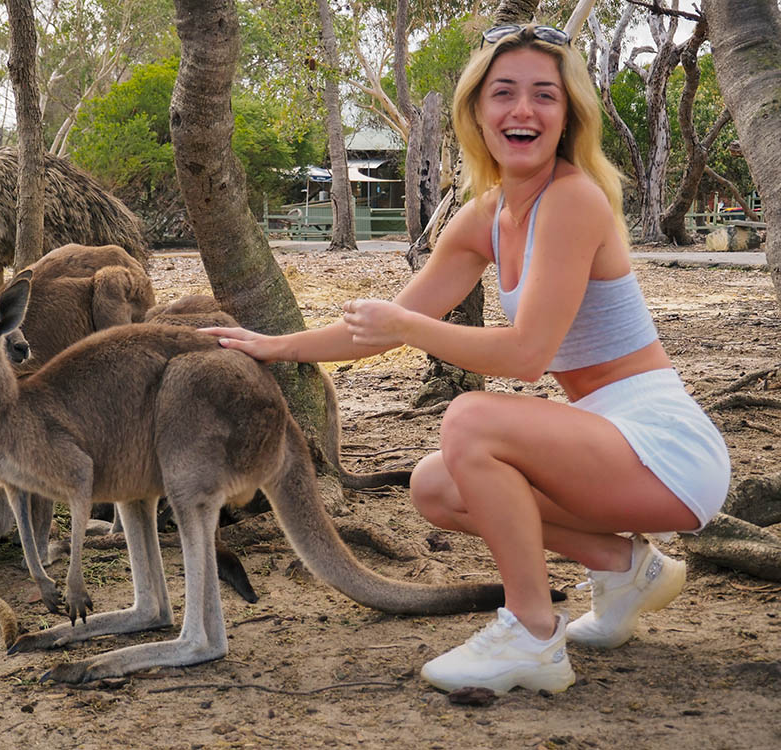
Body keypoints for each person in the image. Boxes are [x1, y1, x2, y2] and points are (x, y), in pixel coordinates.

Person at [199, 24, 730, 695]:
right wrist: (275, 346)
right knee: (436, 485)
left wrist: (410, 326)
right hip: (608, 443)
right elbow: (381, 327)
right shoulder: (487, 215)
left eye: (545, 95)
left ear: (568, 115)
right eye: (503, 93)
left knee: (470, 422)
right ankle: (628, 569)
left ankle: (533, 634)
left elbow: (527, 355)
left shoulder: (572, 199)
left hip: (664, 449)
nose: (523, 111)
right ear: (476, 112)